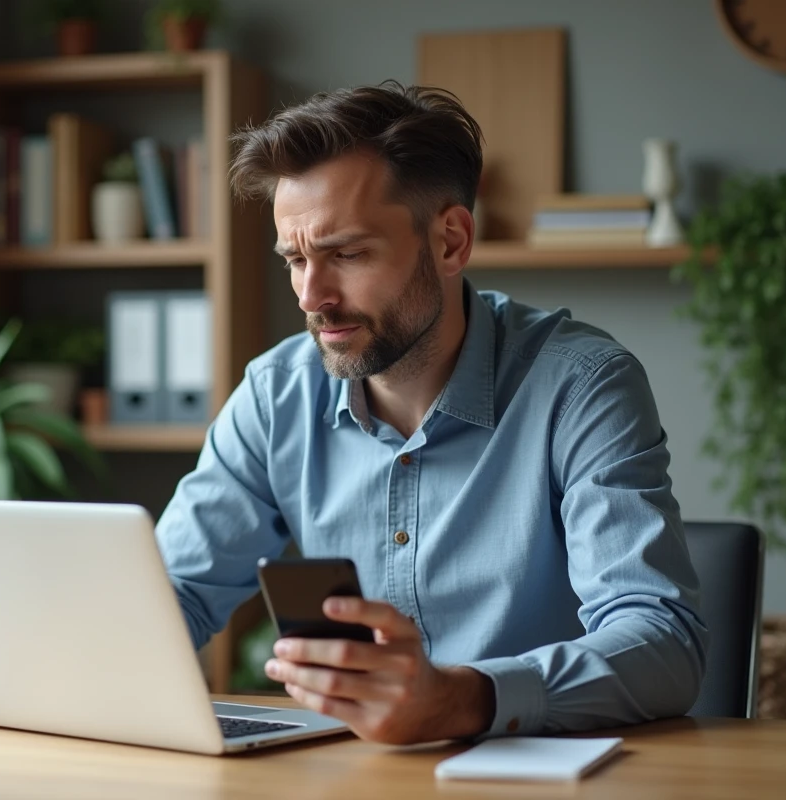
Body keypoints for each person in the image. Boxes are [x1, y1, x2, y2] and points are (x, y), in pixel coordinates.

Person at [153, 80, 707, 746]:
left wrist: (462, 700)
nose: (312, 296)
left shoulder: (581, 386)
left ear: (450, 241)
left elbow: (663, 642)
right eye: (295, 259)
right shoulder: (277, 395)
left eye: (347, 255)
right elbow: (169, 596)